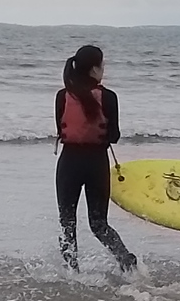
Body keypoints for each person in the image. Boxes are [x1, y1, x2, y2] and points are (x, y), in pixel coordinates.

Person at [55, 45, 137, 275]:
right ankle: (127, 262)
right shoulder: (109, 97)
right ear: (94, 69)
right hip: (96, 164)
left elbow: (61, 130)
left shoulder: (63, 96)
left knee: (67, 224)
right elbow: (114, 136)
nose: (104, 69)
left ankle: (72, 274)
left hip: (69, 163)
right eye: (102, 65)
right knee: (98, 224)